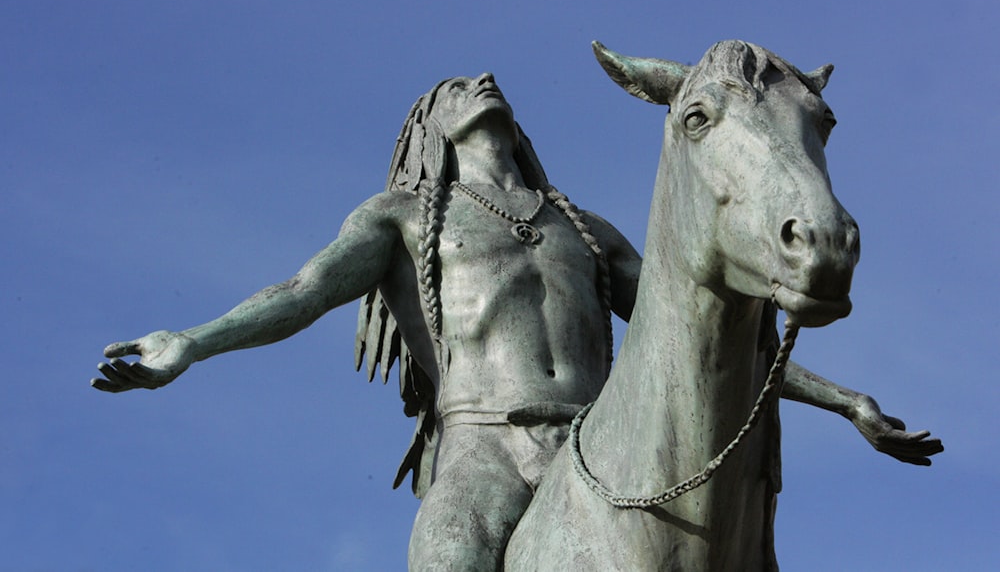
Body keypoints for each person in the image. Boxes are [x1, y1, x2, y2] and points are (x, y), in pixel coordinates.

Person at [92, 73, 942, 571]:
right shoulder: (400, 215)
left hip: (594, 438)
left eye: (486, 76)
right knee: (453, 558)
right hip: (483, 447)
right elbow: (304, 288)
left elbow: (703, 334)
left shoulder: (581, 227)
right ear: (431, 127)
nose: (480, 80)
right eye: (455, 84)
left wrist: (844, 400)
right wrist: (193, 343)